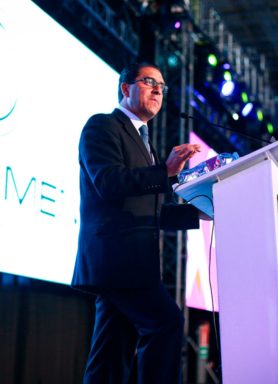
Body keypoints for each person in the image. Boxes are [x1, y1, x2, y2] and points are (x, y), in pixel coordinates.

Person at [71, 62, 210, 384]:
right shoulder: (102, 125)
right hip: (116, 259)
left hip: (129, 263)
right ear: (126, 88)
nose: (158, 90)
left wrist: (203, 210)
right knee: (166, 322)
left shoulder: (145, 144)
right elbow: (107, 182)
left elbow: (153, 210)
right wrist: (165, 171)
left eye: (162, 86)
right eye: (149, 82)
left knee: (110, 356)